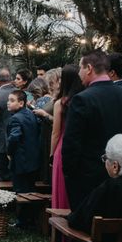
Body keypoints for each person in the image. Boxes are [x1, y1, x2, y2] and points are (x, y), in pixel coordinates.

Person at [62, 50, 122, 210]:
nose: (79, 73)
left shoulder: (82, 99)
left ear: (89, 68)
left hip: (88, 176)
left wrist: (69, 173)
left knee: (86, 224)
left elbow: (72, 142)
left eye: (80, 68)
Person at [49, 65, 83, 210]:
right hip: (81, 146)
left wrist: (51, 154)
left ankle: (60, 223)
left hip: (62, 145)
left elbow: (55, 133)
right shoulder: (84, 99)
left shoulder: (61, 103)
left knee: (61, 185)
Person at [6, 90, 40, 227]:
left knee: (21, 191)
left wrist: (9, 152)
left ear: (21, 103)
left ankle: (22, 221)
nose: (8, 102)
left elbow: (14, 137)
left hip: (21, 160)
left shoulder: (15, 118)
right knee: (30, 189)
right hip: (33, 160)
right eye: (8, 99)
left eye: (12, 100)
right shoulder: (30, 115)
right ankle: (29, 219)